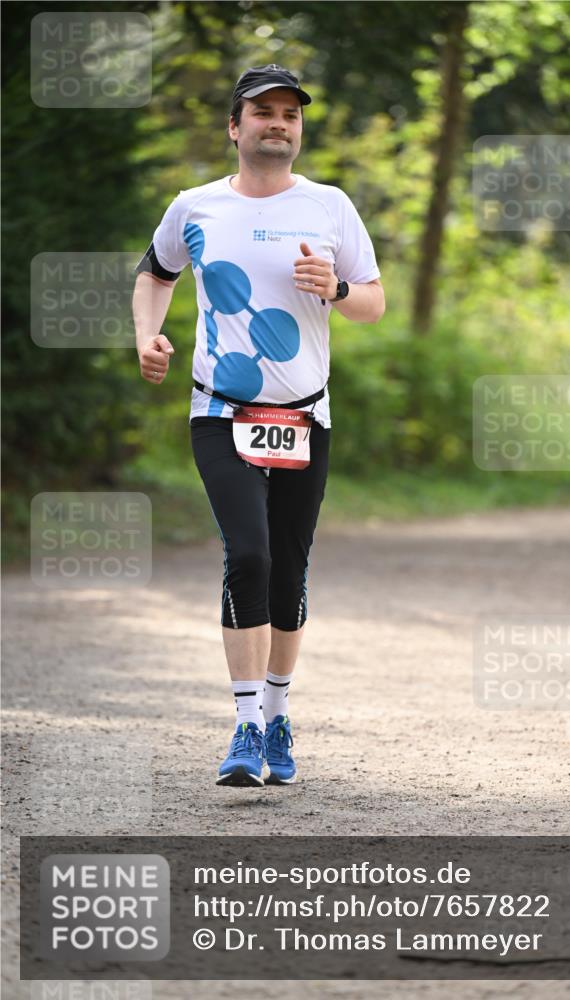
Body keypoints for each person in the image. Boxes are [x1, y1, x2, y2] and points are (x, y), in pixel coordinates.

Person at [132, 64, 384, 788]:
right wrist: (146, 335)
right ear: (234, 127)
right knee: (248, 553)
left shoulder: (330, 206)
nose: (278, 122)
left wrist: (335, 290)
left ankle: (277, 718)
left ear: (299, 130)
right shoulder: (195, 206)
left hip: (304, 414)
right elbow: (155, 272)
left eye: (290, 114)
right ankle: (244, 724)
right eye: (263, 112)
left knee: (288, 569)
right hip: (220, 410)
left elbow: (373, 303)